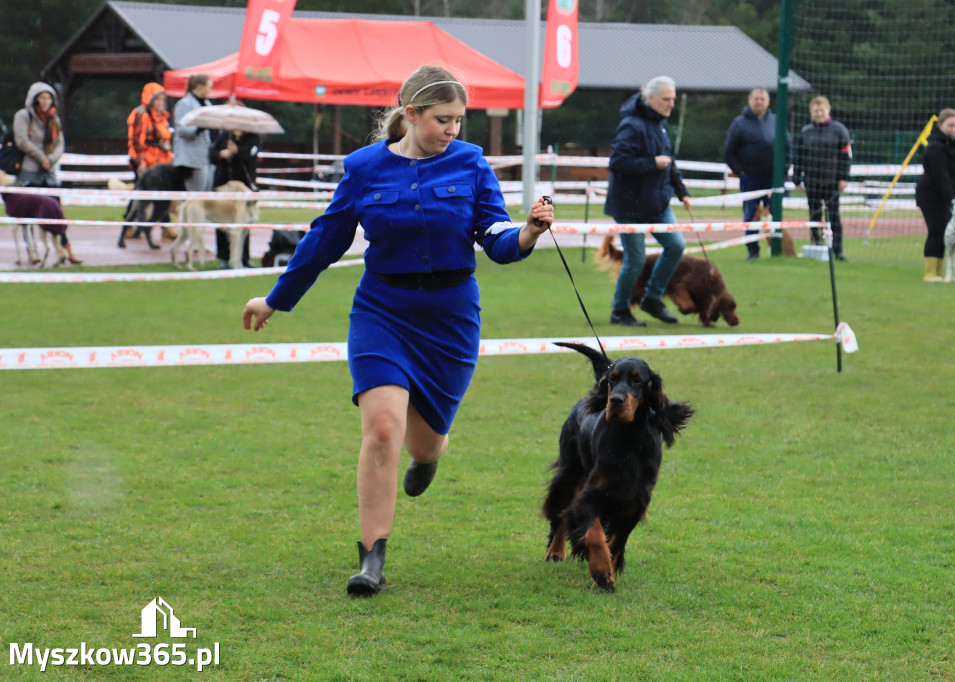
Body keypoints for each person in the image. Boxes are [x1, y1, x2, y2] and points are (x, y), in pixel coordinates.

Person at [241, 65, 554, 596]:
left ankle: (428, 457)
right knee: (383, 428)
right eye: (442, 120)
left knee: (425, 443)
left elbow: (495, 234)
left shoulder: (472, 163)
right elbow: (326, 239)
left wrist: (526, 231)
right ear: (410, 113)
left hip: (451, 320)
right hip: (382, 312)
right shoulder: (363, 168)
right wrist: (276, 298)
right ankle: (372, 559)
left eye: (459, 120)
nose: (452, 130)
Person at [603, 76, 692, 327]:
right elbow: (617, 163)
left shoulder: (661, 125)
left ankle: (652, 298)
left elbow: (669, 163)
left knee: (676, 246)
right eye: (666, 99)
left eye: (673, 98)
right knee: (636, 260)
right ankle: (619, 311)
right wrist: (652, 164)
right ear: (650, 99)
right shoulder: (631, 125)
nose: (671, 104)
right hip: (628, 205)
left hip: (657, 202)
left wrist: (682, 192)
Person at [724, 87, 791, 260]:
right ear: (749, 100)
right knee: (750, 215)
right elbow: (729, 151)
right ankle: (753, 251)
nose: (759, 101)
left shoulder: (777, 122)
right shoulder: (739, 123)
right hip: (750, 178)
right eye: (756, 98)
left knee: (775, 214)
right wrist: (741, 172)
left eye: (762, 98)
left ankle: (776, 250)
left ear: (768, 102)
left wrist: (782, 172)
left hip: (773, 179)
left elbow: (788, 148)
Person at [793, 96, 852, 261]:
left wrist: (843, 178)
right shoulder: (805, 131)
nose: (818, 113)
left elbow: (846, 156)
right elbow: (799, 157)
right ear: (811, 112)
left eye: (821, 110)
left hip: (832, 182)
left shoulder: (839, 130)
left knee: (834, 217)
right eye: (815, 110)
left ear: (828, 110)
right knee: (814, 216)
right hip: (811, 182)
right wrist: (797, 179)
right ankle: (816, 247)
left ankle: (838, 252)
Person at [916, 108, 955, 282]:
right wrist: (952, 200)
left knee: (945, 232)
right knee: (936, 230)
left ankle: (940, 272)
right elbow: (940, 176)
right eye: (950, 125)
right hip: (931, 196)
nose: (954, 129)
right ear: (940, 125)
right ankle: (930, 273)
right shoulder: (935, 147)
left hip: (949, 197)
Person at [210, 124, 261, 267]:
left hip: (244, 187)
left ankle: (244, 258)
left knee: (245, 224)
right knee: (221, 222)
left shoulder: (253, 138)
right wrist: (222, 154)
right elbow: (211, 156)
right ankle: (224, 257)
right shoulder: (223, 137)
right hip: (224, 184)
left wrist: (237, 150)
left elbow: (251, 153)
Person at [13, 82, 65, 188]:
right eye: (42, 98)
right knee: (29, 203)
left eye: (49, 98)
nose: (46, 101)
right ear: (35, 99)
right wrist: (42, 159)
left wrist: (50, 160)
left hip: (49, 172)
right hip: (29, 170)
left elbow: (60, 143)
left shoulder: (54, 119)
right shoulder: (23, 115)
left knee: (53, 204)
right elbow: (22, 141)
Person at [172, 74, 213, 195]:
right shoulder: (184, 104)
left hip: (204, 157)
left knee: (203, 196)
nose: (210, 91)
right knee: (194, 197)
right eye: (208, 87)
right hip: (189, 160)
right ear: (200, 86)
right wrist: (200, 127)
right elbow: (182, 130)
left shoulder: (207, 104)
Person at [128, 82, 174, 178]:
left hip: (162, 163)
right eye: (157, 99)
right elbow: (137, 142)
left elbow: (165, 141)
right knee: (146, 191)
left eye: (162, 99)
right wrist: (141, 162)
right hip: (148, 164)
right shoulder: (142, 114)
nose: (161, 102)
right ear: (150, 99)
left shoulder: (162, 116)